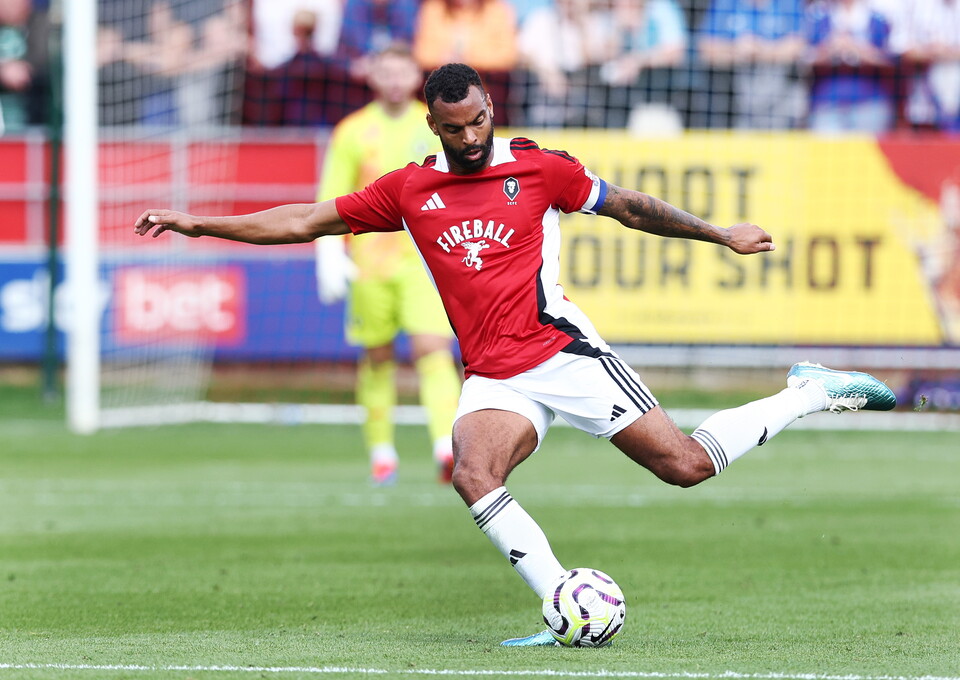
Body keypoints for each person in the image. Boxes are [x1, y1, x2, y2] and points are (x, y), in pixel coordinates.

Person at [134, 63, 897, 646]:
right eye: (452, 128)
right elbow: (304, 220)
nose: (467, 138)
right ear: (431, 125)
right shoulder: (409, 191)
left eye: (475, 123)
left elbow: (629, 205)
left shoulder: (540, 168)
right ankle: (561, 601)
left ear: (489, 110)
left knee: (685, 467)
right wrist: (199, 224)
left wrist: (720, 233)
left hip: (562, 351)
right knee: (472, 472)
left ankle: (807, 390)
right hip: (496, 373)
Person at [315, 43, 461, 485]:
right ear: (373, 77)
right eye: (387, 72)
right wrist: (328, 253)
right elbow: (332, 195)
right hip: (370, 264)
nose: (395, 81)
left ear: (415, 76)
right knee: (377, 357)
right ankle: (382, 453)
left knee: (433, 351)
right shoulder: (352, 131)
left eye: (403, 72)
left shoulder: (434, 124)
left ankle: (446, 449)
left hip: (426, 261)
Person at [696, 0, 807, 129]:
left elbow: (800, 46)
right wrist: (737, 49)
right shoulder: (726, 3)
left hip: (781, 99)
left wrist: (762, 50)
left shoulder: (787, 3)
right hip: (736, 103)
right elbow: (705, 49)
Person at [804, 0, 896, 134]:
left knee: (867, 154)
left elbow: (891, 59)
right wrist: (831, 49)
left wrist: (858, 50)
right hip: (827, 103)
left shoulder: (879, 18)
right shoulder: (818, 17)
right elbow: (805, 57)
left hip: (869, 104)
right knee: (826, 154)